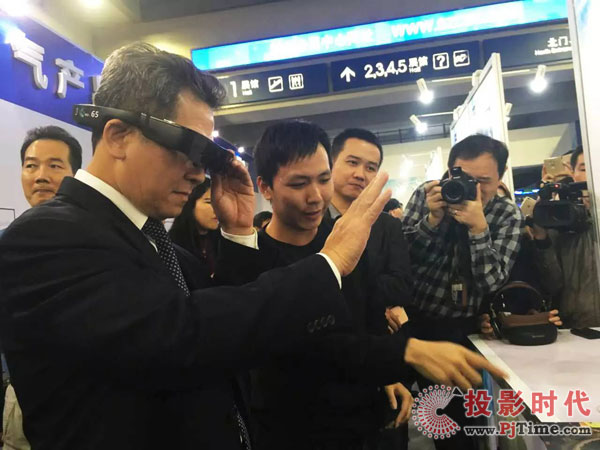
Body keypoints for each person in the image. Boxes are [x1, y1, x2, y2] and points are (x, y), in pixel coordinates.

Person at [0, 43, 504, 450]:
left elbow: (238, 336)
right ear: (118, 136)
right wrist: (330, 263)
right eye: (190, 148)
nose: (199, 171)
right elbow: (182, 338)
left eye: (209, 154)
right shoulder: (43, 240)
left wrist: (241, 232)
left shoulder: (159, 245)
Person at [221, 120, 413, 450]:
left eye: (324, 180)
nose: (315, 197)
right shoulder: (252, 258)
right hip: (292, 428)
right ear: (265, 187)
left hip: (363, 421)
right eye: (298, 184)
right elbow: (292, 346)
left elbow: (366, 318)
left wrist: (387, 375)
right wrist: (405, 354)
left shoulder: (342, 241)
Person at [402, 134, 523, 450]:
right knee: (424, 415)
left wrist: (479, 229)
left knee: (466, 424)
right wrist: (432, 220)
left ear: (500, 178)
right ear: (449, 171)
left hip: (466, 329)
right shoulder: (428, 195)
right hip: (415, 320)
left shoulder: (506, 214)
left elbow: (491, 282)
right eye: (464, 178)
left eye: (484, 181)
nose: (474, 189)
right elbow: (404, 263)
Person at [2, 125, 83, 450]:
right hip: (21, 394)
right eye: (31, 166)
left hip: (84, 396)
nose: (40, 176)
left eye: (55, 165)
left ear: (76, 175)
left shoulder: (96, 242)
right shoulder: (6, 243)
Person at [329, 128, 412, 333]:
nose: (360, 174)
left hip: (373, 336)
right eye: (352, 162)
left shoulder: (388, 226)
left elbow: (401, 286)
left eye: (370, 168)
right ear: (331, 163)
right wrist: (375, 303)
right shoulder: (311, 220)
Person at [531, 146, 600, 328]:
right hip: (577, 328)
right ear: (573, 173)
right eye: (584, 169)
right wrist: (541, 237)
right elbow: (552, 284)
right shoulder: (560, 217)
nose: (591, 175)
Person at [169, 178, 219, 284]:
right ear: (190, 204)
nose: (218, 208)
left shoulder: (221, 241)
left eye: (219, 202)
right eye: (209, 202)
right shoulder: (172, 244)